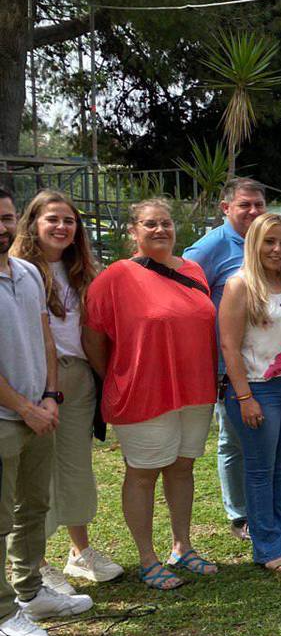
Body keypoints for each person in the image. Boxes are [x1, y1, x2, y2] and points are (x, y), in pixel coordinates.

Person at [84, 198, 219, 591]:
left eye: (165, 223)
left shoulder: (192, 269)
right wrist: (115, 373)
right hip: (143, 390)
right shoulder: (115, 277)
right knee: (142, 474)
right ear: (133, 231)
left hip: (194, 388)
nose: (160, 230)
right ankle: (148, 558)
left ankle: (183, 546)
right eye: (150, 224)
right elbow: (94, 336)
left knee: (182, 467)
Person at [11, 191, 122, 591]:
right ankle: (35, 561)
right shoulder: (19, 271)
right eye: (52, 219)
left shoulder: (85, 272)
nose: (61, 227)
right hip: (34, 380)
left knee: (76, 466)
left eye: (69, 221)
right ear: (33, 223)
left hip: (77, 377)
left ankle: (80, 552)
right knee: (34, 474)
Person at [1, 187, 90, 636]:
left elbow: (45, 341)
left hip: (44, 401)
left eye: (6, 216)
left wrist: (50, 396)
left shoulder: (26, 274)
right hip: (10, 410)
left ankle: (30, 593)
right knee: (3, 513)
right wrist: (25, 405)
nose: (2, 226)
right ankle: (4, 612)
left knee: (32, 503)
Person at [219, 213, 281, 572]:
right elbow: (229, 346)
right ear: (254, 244)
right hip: (259, 388)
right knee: (260, 470)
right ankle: (267, 544)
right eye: (269, 242)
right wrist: (244, 397)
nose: (277, 249)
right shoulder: (240, 285)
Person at [183, 177, 266, 541]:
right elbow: (182, 294)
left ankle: (263, 506)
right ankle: (240, 514)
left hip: (266, 362)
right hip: (227, 364)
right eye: (244, 204)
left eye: (258, 205)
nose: (252, 211)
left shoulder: (263, 242)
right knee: (233, 441)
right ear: (225, 208)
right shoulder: (209, 248)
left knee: (263, 439)